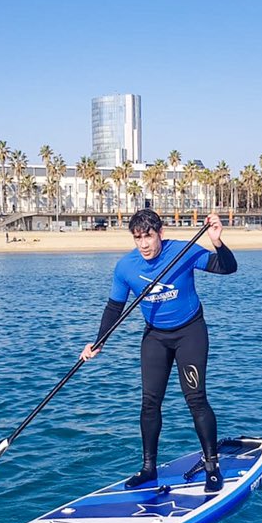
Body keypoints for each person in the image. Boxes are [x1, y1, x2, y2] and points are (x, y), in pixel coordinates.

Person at [81, 209, 237, 492]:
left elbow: (227, 268)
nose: (143, 244)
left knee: (196, 399)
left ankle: (212, 465)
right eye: (137, 238)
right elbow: (114, 307)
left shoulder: (183, 251)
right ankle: (148, 468)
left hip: (190, 333)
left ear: (160, 233)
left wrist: (216, 241)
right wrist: (99, 341)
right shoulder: (125, 267)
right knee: (149, 402)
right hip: (155, 337)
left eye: (148, 236)